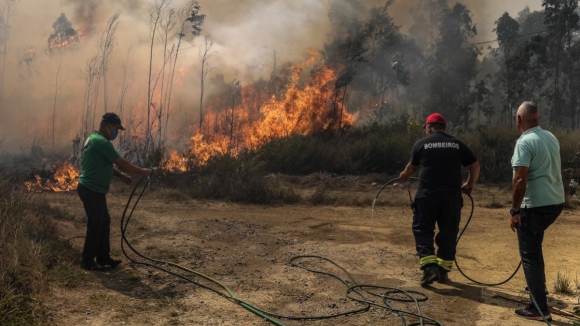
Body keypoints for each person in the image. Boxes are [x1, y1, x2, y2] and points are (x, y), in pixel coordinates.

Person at [398, 113, 480, 286]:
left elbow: (412, 169)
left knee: (423, 230)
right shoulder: (457, 144)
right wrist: (470, 183)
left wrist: (404, 176)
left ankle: (429, 269)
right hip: (451, 198)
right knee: (449, 233)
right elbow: (475, 165)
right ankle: (442, 272)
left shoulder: (421, 143)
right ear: (444, 127)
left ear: (429, 127)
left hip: (427, 196)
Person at [510, 101, 564, 321]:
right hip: (555, 202)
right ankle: (538, 291)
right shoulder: (550, 137)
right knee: (534, 247)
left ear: (519, 119)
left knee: (529, 255)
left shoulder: (524, 143)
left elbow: (520, 180)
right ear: (537, 118)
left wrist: (514, 211)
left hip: (535, 206)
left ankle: (538, 309)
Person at [78, 112, 151, 271]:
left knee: (104, 222)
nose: (116, 133)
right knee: (96, 224)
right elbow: (122, 162)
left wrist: (119, 175)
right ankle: (87, 261)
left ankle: (103, 257)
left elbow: (103, 163)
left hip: (91, 189)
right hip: (91, 189)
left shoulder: (93, 138)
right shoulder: (103, 142)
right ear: (108, 126)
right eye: (116, 129)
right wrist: (141, 171)